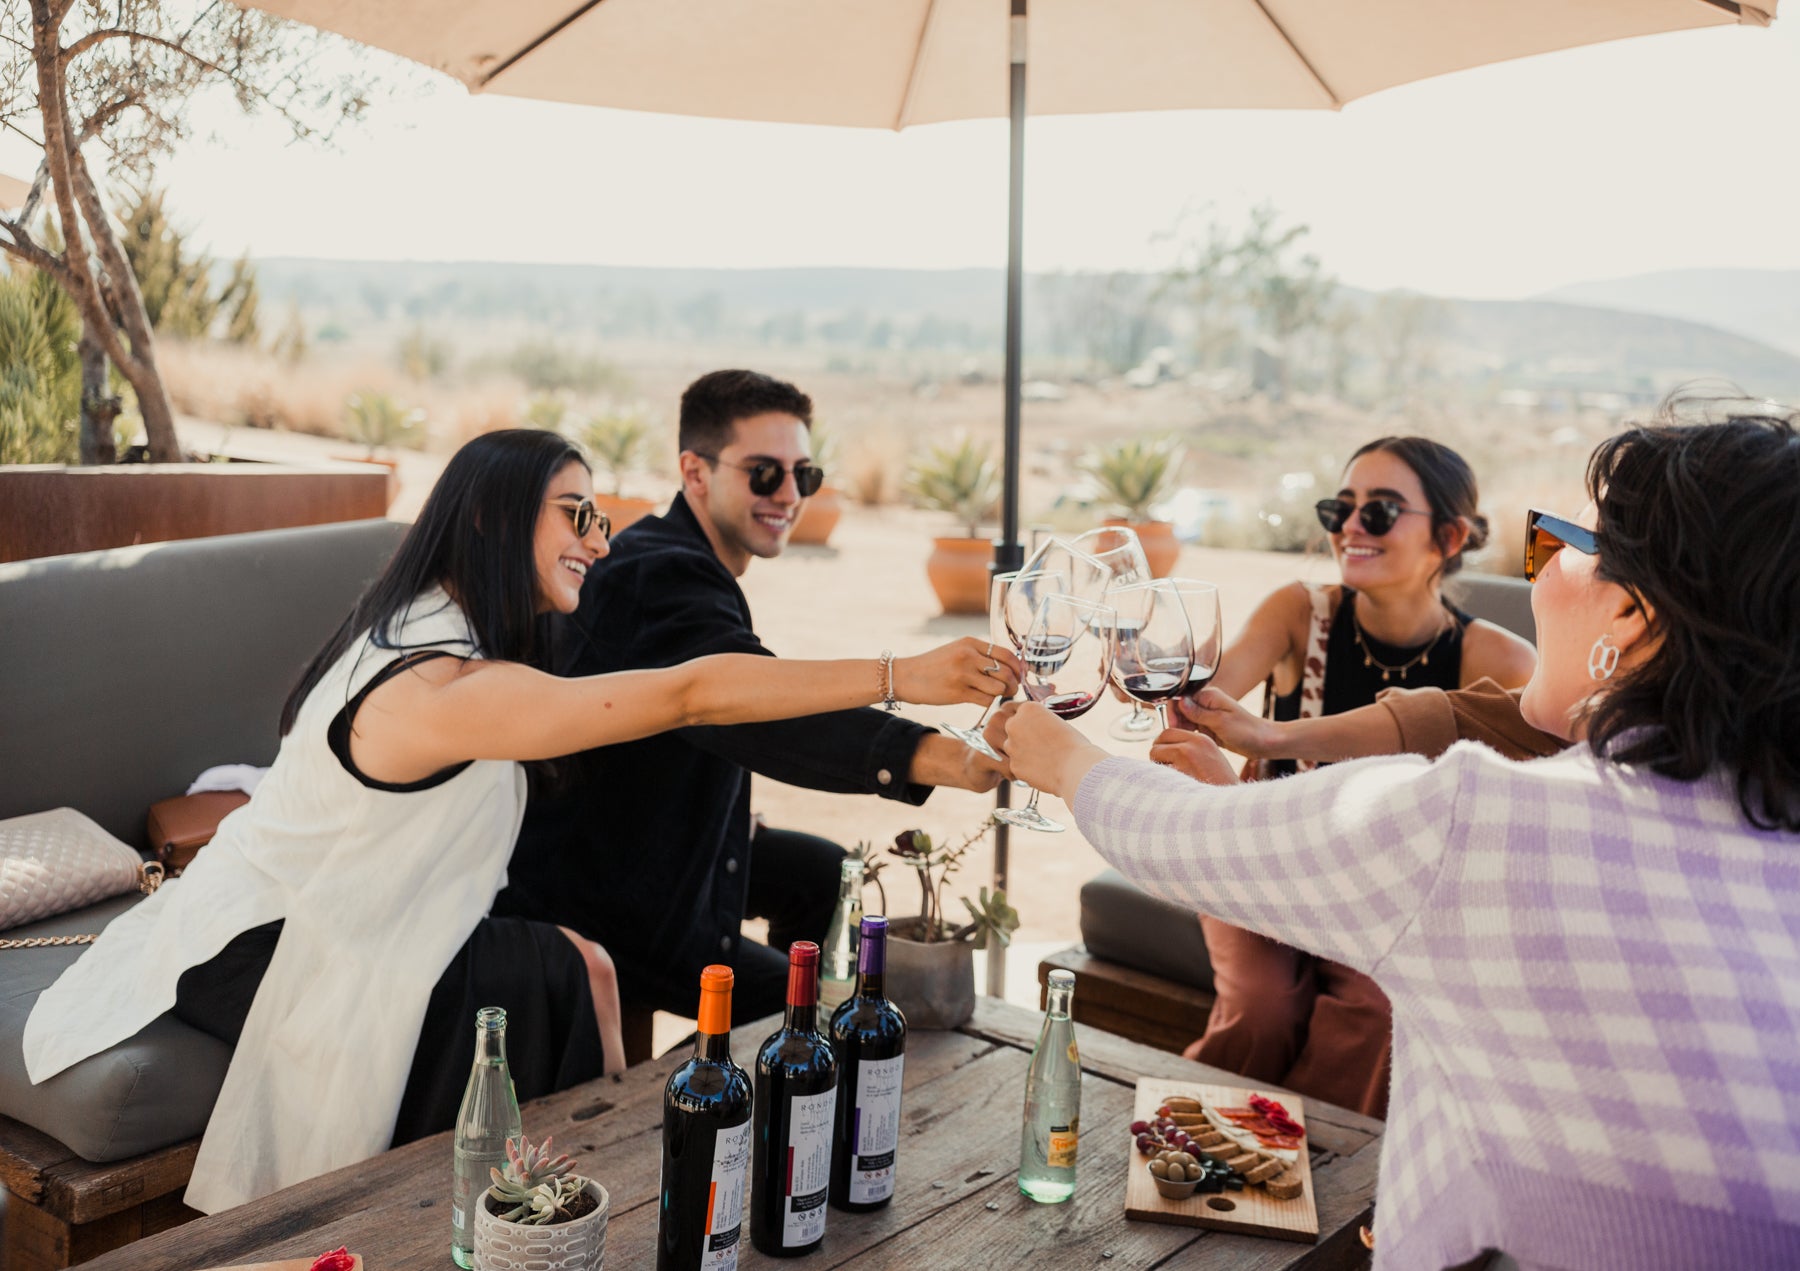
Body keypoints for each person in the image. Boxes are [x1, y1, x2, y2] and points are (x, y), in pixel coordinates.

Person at [22, 428, 1017, 1214]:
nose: (600, 536)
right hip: (276, 943)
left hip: (320, 905)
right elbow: (689, 695)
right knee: (573, 969)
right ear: (497, 518)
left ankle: (569, 1202)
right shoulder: (446, 683)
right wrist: (903, 675)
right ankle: (575, 1205)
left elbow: (667, 689)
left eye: (604, 514)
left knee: (578, 961)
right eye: (576, 511)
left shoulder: (431, 617)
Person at [995, 402, 1800, 1270]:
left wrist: (1063, 756)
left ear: (1634, 618)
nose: (1540, 569)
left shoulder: (1485, 820)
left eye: (1566, 542)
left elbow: (1192, 834)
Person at [500, 370, 1007, 1023]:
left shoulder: (680, 559)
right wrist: (943, 758)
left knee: (823, 873)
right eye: (765, 473)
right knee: (820, 1017)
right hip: (612, 893)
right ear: (696, 470)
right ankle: (728, 1080)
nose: (791, 494)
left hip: (663, 837)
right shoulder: (659, 574)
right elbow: (758, 717)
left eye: (806, 474)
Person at [1187, 436, 1537, 1118]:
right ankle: (1192, 1136)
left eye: (1379, 512)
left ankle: (1315, 1170)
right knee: (1263, 1007)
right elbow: (1205, 710)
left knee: (1380, 1015)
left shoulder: (1497, 660)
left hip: (1386, 892)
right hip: (1262, 856)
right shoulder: (1300, 612)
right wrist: (1181, 688)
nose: (1350, 527)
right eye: (1339, 508)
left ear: (1449, 535)